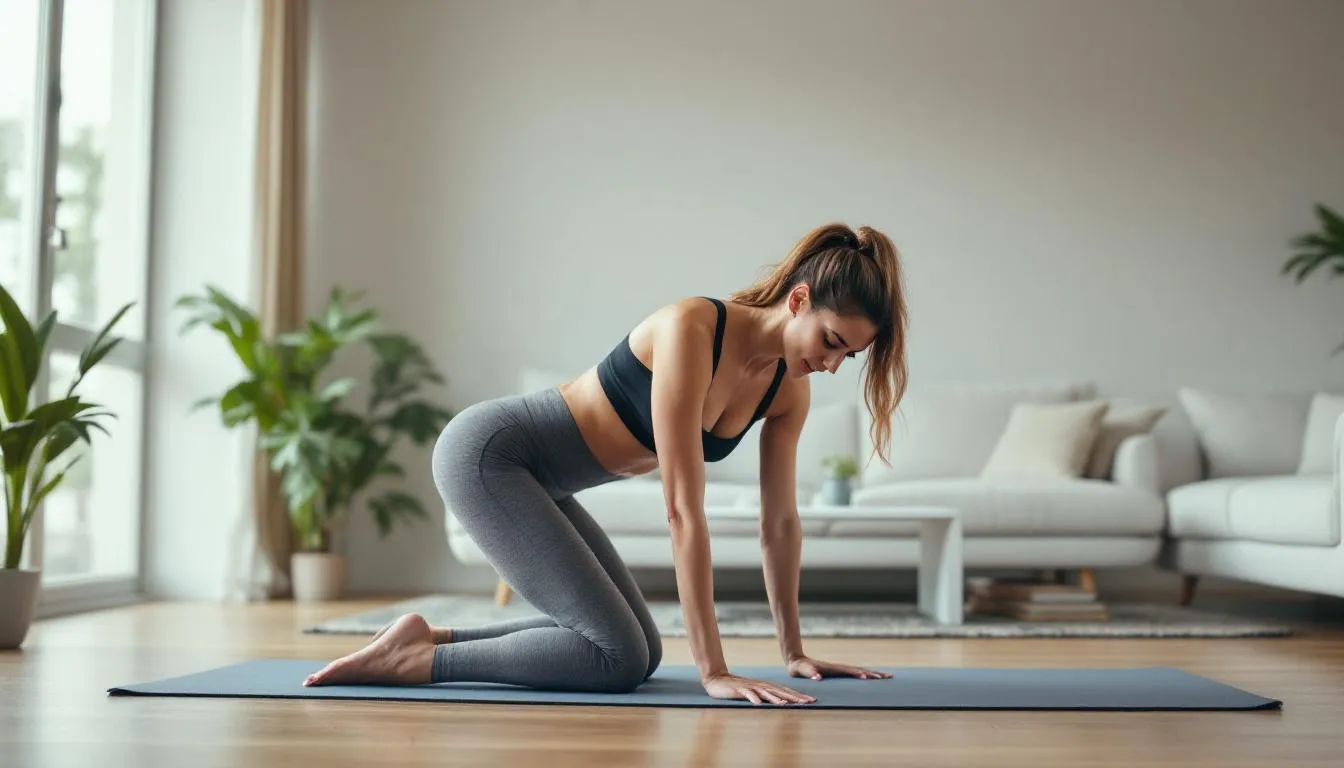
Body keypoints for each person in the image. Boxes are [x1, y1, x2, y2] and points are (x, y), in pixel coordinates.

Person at [303, 222, 910, 706]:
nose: (833, 364)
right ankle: (416, 663)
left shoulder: (787, 389)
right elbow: (682, 512)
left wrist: (794, 652)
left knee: (640, 653)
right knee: (615, 659)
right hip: (491, 454)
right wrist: (714, 671)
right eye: (832, 341)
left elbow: (779, 526)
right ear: (799, 300)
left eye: (849, 355)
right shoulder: (693, 329)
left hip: (543, 481)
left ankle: (426, 639)